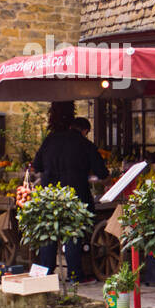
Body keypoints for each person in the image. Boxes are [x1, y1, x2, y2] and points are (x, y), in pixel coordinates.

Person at [32, 102, 107, 282]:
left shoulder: (50, 140)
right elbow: (102, 172)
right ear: (84, 131)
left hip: (49, 195)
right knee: (73, 235)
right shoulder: (85, 144)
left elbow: (37, 166)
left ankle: (45, 275)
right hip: (75, 195)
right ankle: (74, 276)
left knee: (49, 234)